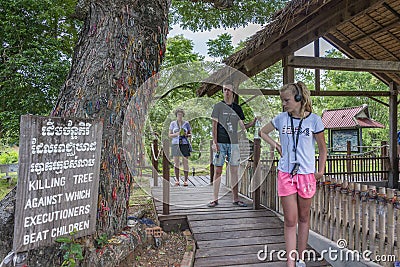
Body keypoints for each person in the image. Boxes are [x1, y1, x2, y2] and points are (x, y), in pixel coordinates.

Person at [259, 82, 327, 267]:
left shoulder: (314, 120)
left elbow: (322, 148)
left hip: (306, 174)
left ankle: (301, 259)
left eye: (286, 100)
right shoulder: (281, 119)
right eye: (282, 100)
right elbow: (262, 131)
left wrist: (320, 171)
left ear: (298, 99)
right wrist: (277, 145)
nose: (283, 104)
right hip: (286, 173)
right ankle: (290, 263)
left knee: (304, 218)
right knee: (290, 219)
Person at [208, 82, 257, 207]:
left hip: (233, 143)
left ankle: (235, 199)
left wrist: (253, 122)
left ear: (233, 91)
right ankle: (215, 199)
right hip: (221, 142)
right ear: (223, 91)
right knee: (218, 170)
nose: (227, 92)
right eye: (225, 90)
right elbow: (214, 126)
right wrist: (215, 142)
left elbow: (242, 127)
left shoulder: (237, 108)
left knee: (234, 171)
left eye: (229, 90)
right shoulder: (218, 106)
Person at [169, 108, 192, 186]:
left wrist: (185, 134)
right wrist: (177, 134)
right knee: (176, 162)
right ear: (176, 115)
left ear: (183, 115)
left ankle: (186, 180)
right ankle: (177, 180)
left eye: (181, 114)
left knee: (185, 162)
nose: (180, 115)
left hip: (184, 144)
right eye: (178, 114)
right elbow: (170, 135)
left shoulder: (186, 123)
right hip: (175, 144)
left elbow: (190, 134)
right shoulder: (172, 123)